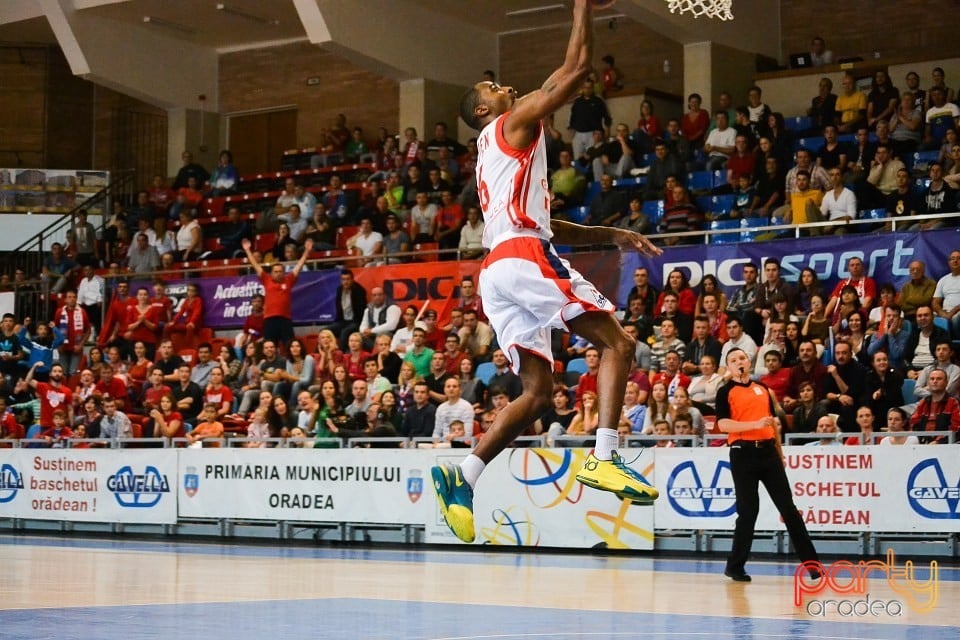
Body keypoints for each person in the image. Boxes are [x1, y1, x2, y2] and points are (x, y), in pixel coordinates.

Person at [431, 0, 660, 544]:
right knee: (620, 345)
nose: (499, 84)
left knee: (537, 393)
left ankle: (463, 477)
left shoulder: (498, 146)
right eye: (489, 86)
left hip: (498, 270)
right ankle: (604, 456)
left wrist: (609, 234)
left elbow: (544, 220)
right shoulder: (512, 122)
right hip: (520, 258)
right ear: (484, 111)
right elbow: (577, 71)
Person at [717, 348, 820, 582]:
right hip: (742, 454)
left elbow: (773, 425)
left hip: (768, 452)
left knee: (789, 509)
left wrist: (780, 453)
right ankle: (735, 566)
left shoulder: (763, 389)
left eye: (742, 358)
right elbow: (723, 425)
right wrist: (754, 424)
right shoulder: (725, 391)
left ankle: (812, 565)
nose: (739, 362)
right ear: (729, 367)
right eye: (733, 360)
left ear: (749, 361)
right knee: (747, 512)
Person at [241, 237, 313, 350]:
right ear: (271, 273)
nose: (278, 274)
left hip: (285, 320)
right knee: (269, 346)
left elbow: (299, 266)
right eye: (276, 272)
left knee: (290, 346)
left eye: (280, 271)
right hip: (269, 320)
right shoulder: (266, 279)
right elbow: (255, 265)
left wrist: (307, 251)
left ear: (284, 273)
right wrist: (247, 250)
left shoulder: (288, 280)